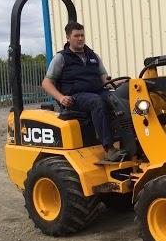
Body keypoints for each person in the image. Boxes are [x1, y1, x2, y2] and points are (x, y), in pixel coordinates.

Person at [41, 21, 134, 162]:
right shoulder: (61, 58)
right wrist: (61, 98)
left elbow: (105, 80)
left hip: (96, 91)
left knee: (117, 98)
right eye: (76, 35)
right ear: (68, 38)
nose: (80, 38)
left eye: (82, 35)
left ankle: (131, 140)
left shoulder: (93, 56)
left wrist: (119, 83)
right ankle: (108, 148)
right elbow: (46, 83)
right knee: (96, 101)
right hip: (75, 97)